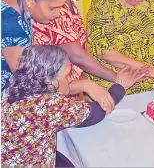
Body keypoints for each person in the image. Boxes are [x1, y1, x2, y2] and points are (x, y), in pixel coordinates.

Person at [30, 0, 136, 110]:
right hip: (54, 92)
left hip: (72, 86)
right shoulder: (55, 5)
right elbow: (77, 56)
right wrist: (118, 79)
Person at [1, 45, 138, 167]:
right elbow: (95, 113)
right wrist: (120, 86)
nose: (69, 80)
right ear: (50, 82)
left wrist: (85, 85)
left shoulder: (12, 86)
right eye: (66, 76)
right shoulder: (50, 106)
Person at [1, 0, 67, 92]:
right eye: (52, 8)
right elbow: (28, 84)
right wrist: (84, 85)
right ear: (30, 0)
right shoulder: (11, 27)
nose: (58, 14)